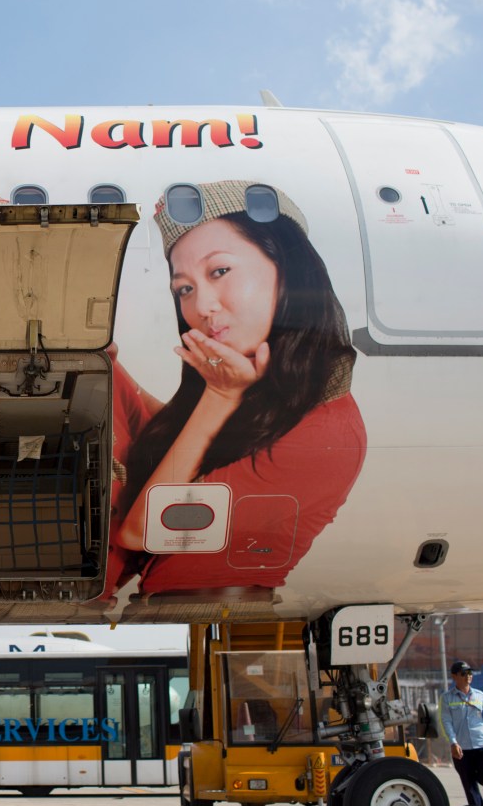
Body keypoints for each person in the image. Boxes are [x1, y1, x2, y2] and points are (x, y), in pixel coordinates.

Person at [110, 180, 366, 594]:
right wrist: (107, 368)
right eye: (185, 289)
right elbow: (177, 442)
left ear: (289, 271)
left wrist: (220, 396)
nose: (203, 307)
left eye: (220, 271)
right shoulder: (280, 391)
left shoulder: (323, 436)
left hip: (207, 609)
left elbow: (143, 531)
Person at [442, 659, 483, 806]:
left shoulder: (480, 695)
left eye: (470, 673)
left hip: (482, 745)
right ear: (455, 676)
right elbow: (446, 722)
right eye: (464, 673)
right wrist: (453, 742)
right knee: (470, 786)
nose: (468, 676)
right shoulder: (447, 698)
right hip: (462, 749)